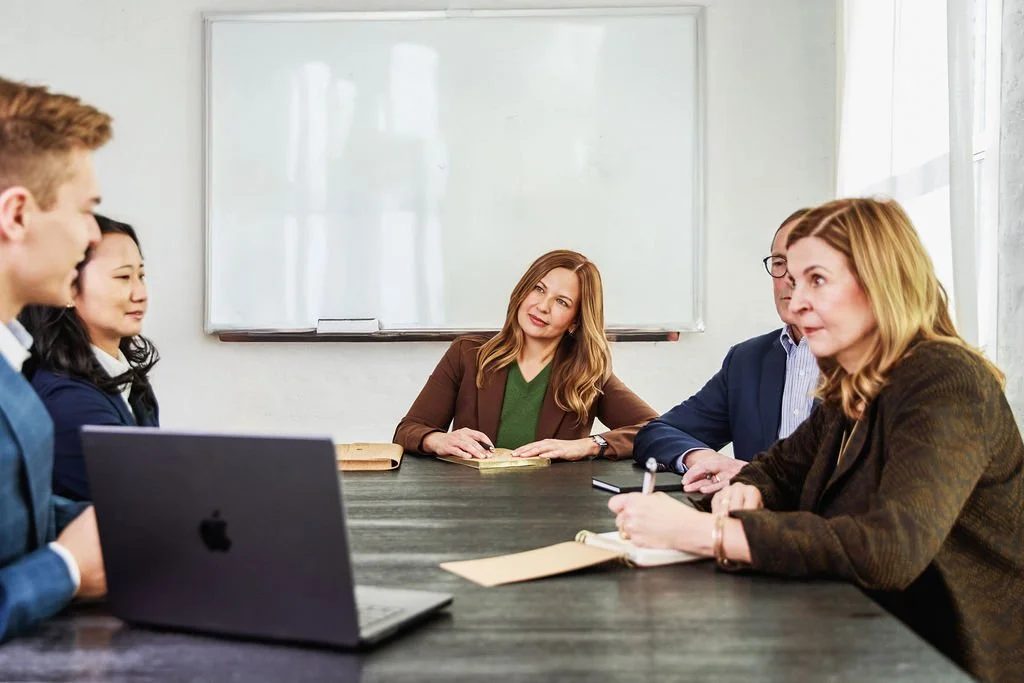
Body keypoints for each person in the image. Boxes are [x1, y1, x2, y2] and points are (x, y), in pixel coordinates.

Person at [609, 197, 1024, 682]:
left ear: (879, 281)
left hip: (949, 656)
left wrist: (706, 533)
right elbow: (781, 467)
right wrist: (755, 487)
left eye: (817, 280)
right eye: (792, 278)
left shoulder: (946, 379)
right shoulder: (854, 384)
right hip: (865, 634)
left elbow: (889, 548)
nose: (797, 298)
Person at [0, 76, 112, 640]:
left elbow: (18, 518)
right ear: (17, 215)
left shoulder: (10, 365)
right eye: (86, 209)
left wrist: (137, 521)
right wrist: (65, 570)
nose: (93, 234)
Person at [394, 249, 657, 461]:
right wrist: (438, 440)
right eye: (539, 289)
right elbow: (408, 430)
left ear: (575, 321)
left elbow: (656, 430)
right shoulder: (467, 354)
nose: (542, 306)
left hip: (548, 506)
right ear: (523, 292)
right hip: (472, 505)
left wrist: (588, 445)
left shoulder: (587, 373)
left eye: (562, 302)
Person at [633, 209, 818, 493]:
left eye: (807, 266)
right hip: (748, 523)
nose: (789, 279)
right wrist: (707, 459)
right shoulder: (747, 360)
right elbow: (656, 434)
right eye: (780, 263)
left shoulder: (869, 362)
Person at [21, 214, 160, 501]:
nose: (141, 293)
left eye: (141, 275)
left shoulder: (126, 377)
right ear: (69, 288)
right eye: (123, 277)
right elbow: (147, 504)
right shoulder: (66, 399)